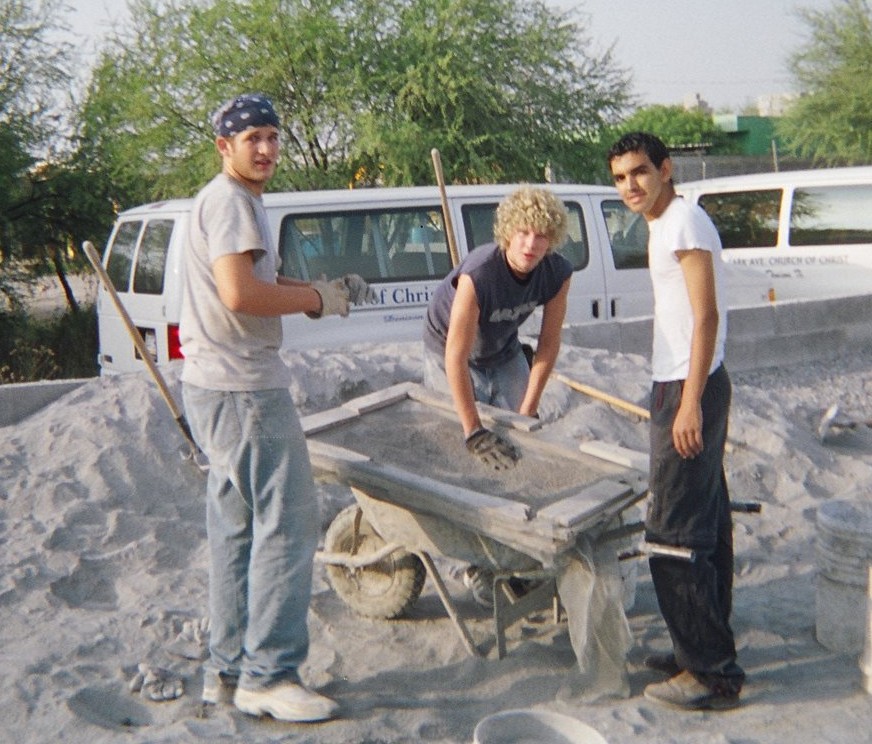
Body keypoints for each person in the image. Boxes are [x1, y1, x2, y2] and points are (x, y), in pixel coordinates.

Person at [178, 93, 373, 723]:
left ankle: (228, 672)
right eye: (251, 139)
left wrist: (321, 290)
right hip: (244, 389)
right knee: (289, 524)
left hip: (216, 386)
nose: (264, 149)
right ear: (224, 146)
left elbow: (260, 283)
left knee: (236, 531)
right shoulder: (231, 202)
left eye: (271, 136)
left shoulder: (229, 200)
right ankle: (270, 675)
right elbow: (239, 295)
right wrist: (313, 302)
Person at [607, 131, 745, 710]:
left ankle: (709, 673)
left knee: (672, 533)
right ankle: (700, 648)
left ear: (665, 169)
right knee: (706, 523)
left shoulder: (684, 221)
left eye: (640, 172)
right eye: (620, 178)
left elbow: (705, 315)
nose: (630, 185)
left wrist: (689, 402)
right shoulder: (663, 224)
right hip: (682, 380)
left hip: (691, 385)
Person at [422, 185, 572, 606]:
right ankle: (470, 563)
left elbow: (548, 345)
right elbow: (455, 356)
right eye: (523, 233)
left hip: (504, 352)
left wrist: (528, 410)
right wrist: (472, 429)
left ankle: (518, 550)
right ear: (507, 232)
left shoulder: (557, 273)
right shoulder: (481, 272)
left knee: (521, 447)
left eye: (541, 236)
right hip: (449, 352)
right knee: (463, 457)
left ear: (552, 240)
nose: (530, 244)